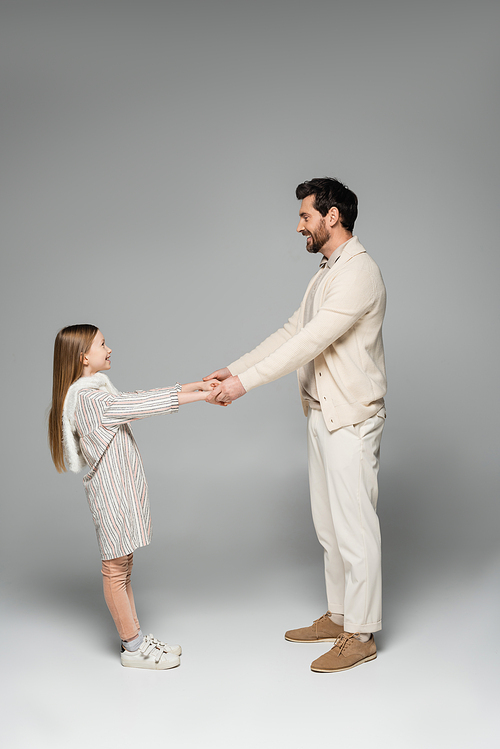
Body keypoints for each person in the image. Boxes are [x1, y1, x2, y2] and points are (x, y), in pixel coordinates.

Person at [205, 177, 387, 673]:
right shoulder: (326, 272)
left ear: (332, 217)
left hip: (351, 417)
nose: (299, 226)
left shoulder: (359, 273)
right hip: (321, 413)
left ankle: (362, 633)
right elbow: (292, 331)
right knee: (329, 528)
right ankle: (339, 615)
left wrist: (246, 385)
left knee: (355, 531)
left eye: (305, 216)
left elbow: (310, 345)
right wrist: (235, 369)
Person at [48, 324, 219, 670]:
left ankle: (136, 637)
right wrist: (202, 395)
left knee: (123, 566)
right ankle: (132, 647)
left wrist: (194, 386)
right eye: (102, 344)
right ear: (84, 357)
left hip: (119, 492)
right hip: (110, 494)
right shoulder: (88, 397)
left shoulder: (95, 390)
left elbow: (138, 396)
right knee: (114, 569)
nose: (109, 349)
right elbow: (139, 403)